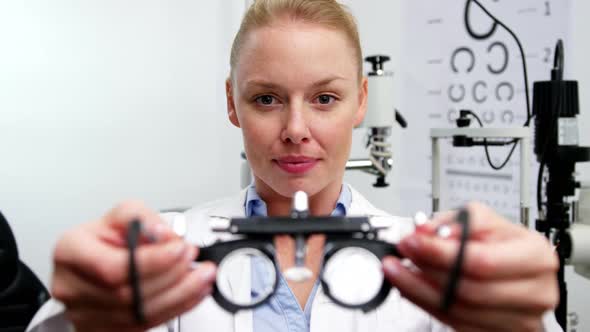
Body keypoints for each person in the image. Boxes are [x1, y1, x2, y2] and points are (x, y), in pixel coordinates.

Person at [27, 0, 562, 331]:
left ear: (361, 103)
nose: (296, 128)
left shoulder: (424, 261)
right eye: (266, 99)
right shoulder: (172, 251)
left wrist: (522, 325)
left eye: (325, 99)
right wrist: (77, 322)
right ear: (232, 104)